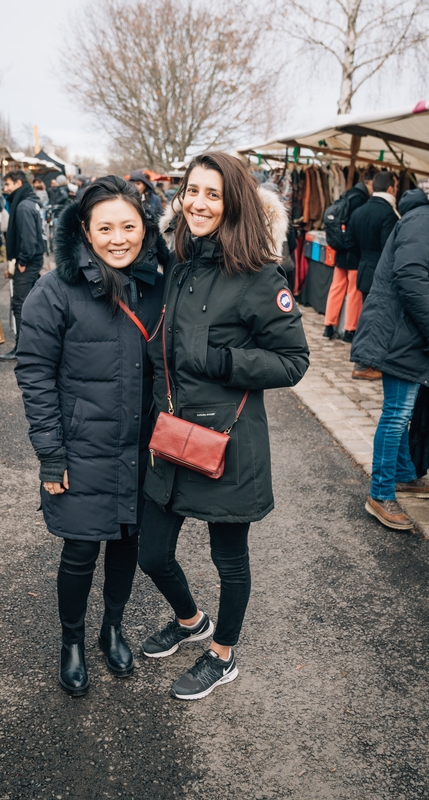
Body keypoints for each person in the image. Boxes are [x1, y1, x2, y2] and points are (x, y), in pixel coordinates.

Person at [138, 152, 309, 700]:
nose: (199, 202)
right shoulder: (178, 264)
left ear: (233, 202)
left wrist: (225, 361)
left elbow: (294, 361)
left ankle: (223, 654)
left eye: (212, 193)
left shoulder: (261, 275)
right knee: (152, 554)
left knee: (229, 561)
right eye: (192, 190)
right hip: (171, 436)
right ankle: (192, 623)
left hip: (227, 445)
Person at [14, 176, 165, 696]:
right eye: (106, 228)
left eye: (129, 226)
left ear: (145, 227)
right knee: (80, 549)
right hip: (82, 447)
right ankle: (72, 641)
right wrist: (51, 455)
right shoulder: (55, 291)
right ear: (84, 229)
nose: (118, 238)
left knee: (126, 540)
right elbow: (33, 374)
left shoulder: (155, 285)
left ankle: (112, 628)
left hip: (141, 448)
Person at [350, 187, 429, 531]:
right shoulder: (422, 220)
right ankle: (379, 493)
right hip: (400, 335)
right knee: (396, 414)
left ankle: (403, 476)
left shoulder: (417, 218)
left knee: (401, 410)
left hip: (405, 335)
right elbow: (410, 276)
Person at [346, 170, 399, 380]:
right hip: (380, 271)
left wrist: (365, 257)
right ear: (390, 188)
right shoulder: (388, 213)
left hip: (364, 268)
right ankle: (363, 364)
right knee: (375, 319)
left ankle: (365, 362)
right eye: (395, 186)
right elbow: (390, 247)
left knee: (367, 316)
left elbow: (349, 242)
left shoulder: (359, 211)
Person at [0, 170, 45, 362]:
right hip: (34, 259)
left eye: (7, 184)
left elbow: (28, 238)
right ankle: (33, 344)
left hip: (28, 261)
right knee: (30, 303)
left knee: (21, 304)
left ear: (18, 183)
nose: (5, 188)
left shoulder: (24, 205)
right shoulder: (30, 201)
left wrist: (22, 262)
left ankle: (22, 348)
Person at [323, 169, 375, 341]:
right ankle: (349, 330)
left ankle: (328, 326)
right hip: (353, 252)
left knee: (336, 288)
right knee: (353, 292)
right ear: (368, 183)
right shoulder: (361, 199)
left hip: (340, 250)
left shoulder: (348, 195)